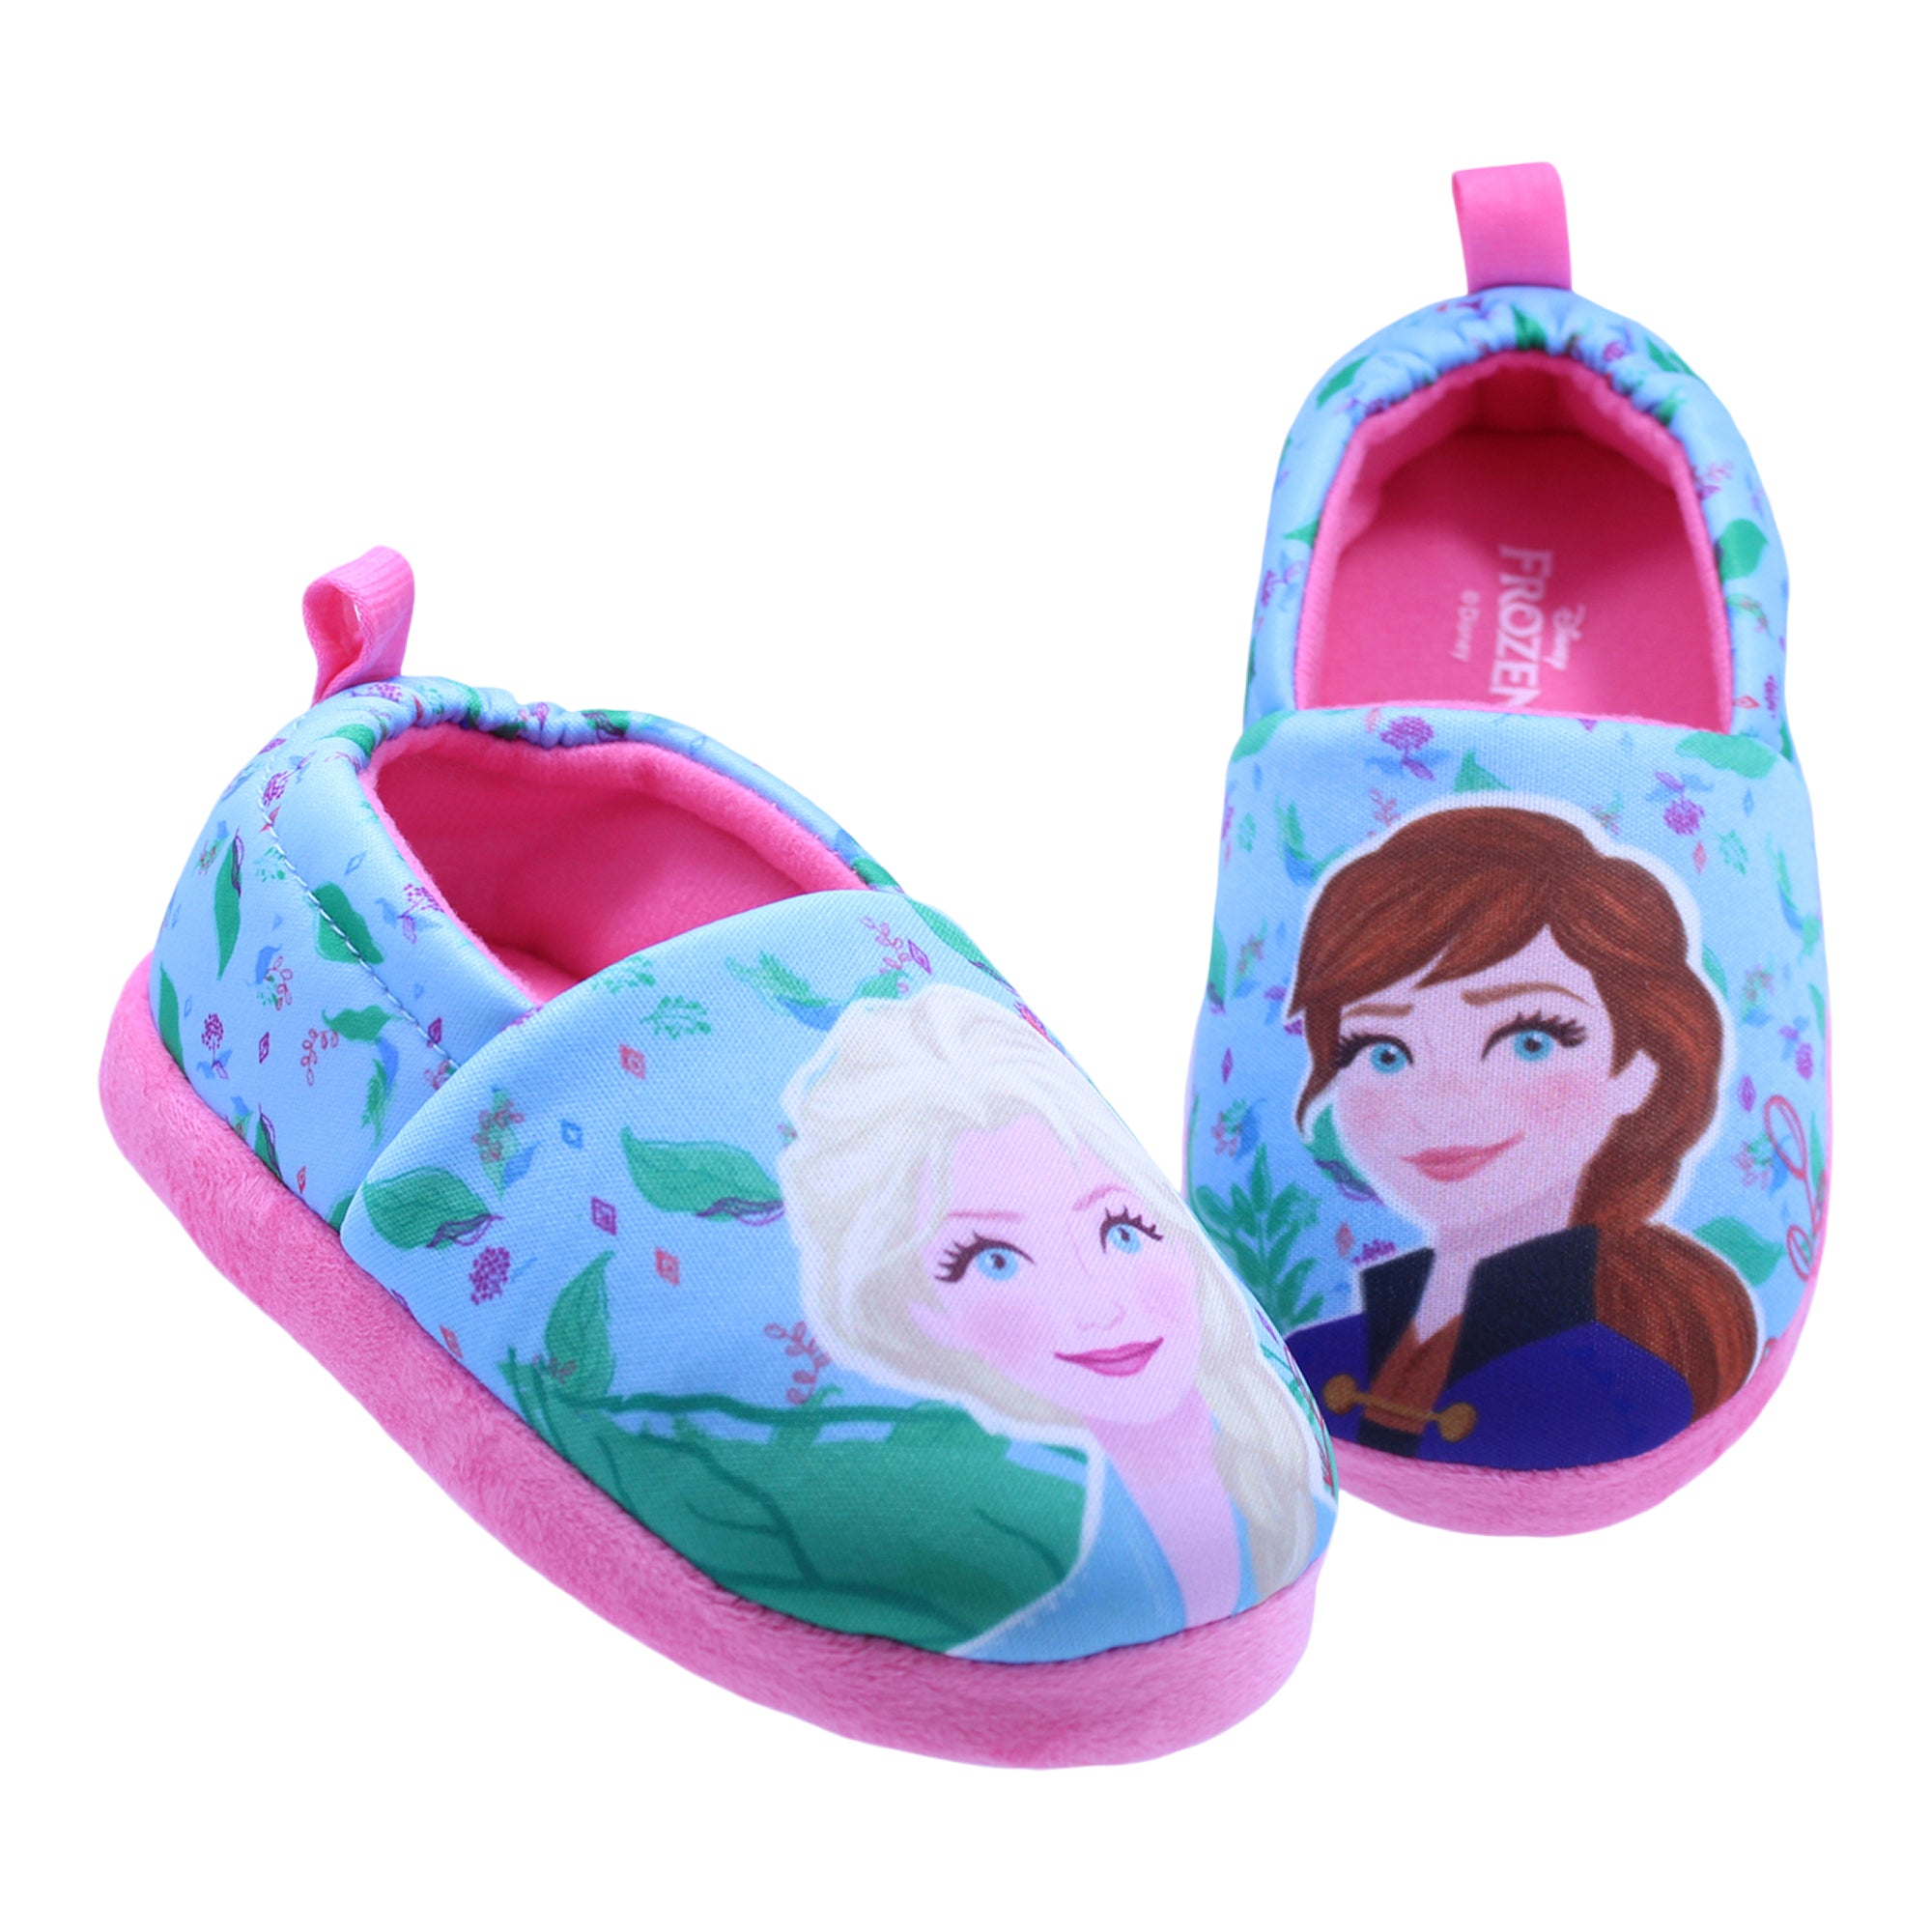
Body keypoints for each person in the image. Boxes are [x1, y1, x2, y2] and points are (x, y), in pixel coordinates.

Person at [780, 983, 1320, 1660]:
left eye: (1122, 1228)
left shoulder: (1266, 1467)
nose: (1100, 1307)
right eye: (996, 1261)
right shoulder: (1041, 1545)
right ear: (921, 1314)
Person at [1284, 803, 1757, 1470]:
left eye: (1530, 1040)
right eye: (1382, 1051)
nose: (1440, 1106)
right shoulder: (1320, 1352)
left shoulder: (1624, 1382)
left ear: (1639, 1071)